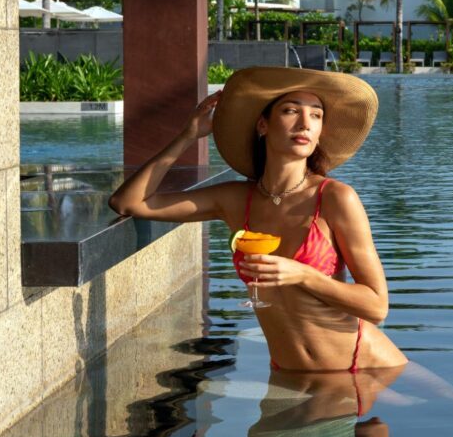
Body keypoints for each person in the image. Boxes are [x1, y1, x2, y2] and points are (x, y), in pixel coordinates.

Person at [110, 66, 408, 373]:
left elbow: (376, 306)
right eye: (291, 111)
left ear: (320, 133)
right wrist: (188, 136)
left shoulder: (335, 198)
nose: (305, 123)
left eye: (316, 115)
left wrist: (303, 275)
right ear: (263, 125)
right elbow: (128, 202)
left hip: (362, 366)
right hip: (288, 372)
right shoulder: (235, 200)